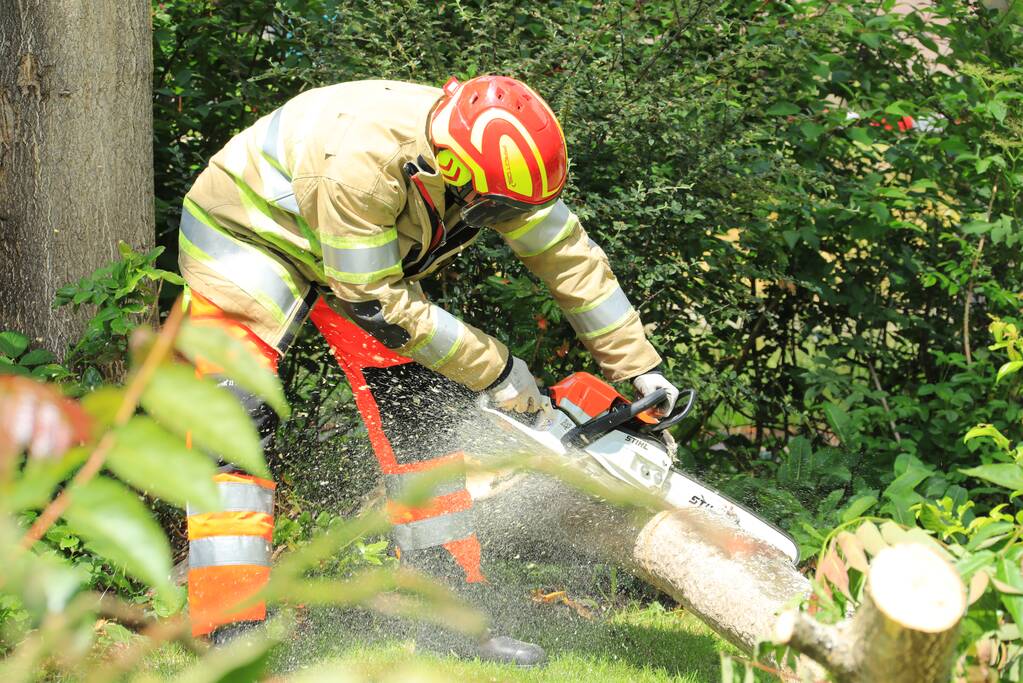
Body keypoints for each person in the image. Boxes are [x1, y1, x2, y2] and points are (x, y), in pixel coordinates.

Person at [177, 75, 679, 666]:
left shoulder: (504, 168)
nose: (502, 219)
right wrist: (496, 370)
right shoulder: (360, 163)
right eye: (495, 211)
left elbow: (567, 256)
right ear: (450, 168)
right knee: (233, 428)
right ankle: (230, 640)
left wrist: (640, 367)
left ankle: (449, 621)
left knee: (421, 423)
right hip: (249, 239)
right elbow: (376, 302)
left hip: (358, 261)